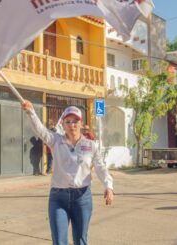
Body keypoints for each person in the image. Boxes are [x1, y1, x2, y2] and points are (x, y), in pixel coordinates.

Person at [22, 100, 114, 245]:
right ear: (63, 125)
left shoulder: (90, 145)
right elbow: (41, 130)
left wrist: (108, 186)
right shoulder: (56, 141)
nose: (72, 125)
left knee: (80, 240)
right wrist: (31, 112)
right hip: (58, 198)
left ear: (81, 124)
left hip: (82, 198)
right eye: (68, 121)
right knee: (59, 241)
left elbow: (100, 167)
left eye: (75, 121)